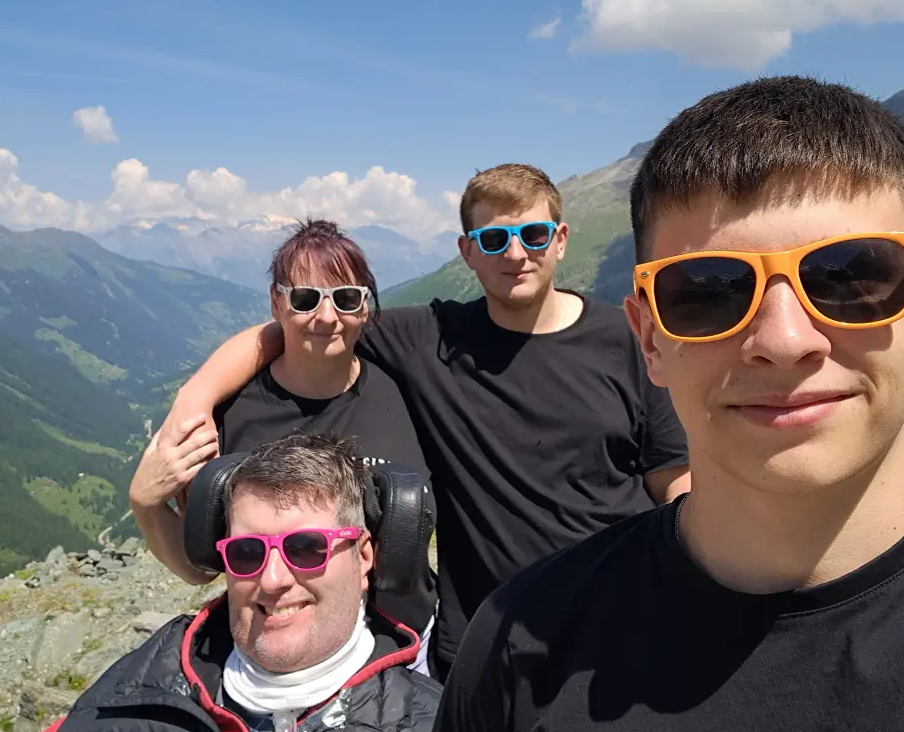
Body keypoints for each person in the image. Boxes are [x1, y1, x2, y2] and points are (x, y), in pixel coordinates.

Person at [432, 75, 904, 732]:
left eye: (851, 277)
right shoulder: (518, 645)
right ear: (649, 340)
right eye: (708, 292)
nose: (783, 341)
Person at [152, 163, 691, 682]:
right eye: (493, 240)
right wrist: (195, 398)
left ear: (560, 239)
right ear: (468, 251)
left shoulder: (625, 340)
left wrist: (696, 594)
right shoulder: (429, 338)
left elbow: (675, 482)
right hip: (485, 642)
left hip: (617, 621)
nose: (516, 253)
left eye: (533, 234)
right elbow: (308, 327)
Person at [129, 218, 439, 674]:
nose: (326, 317)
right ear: (277, 304)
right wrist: (146, 505)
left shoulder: (412, 390)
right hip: (285, 657)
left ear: (365, 308)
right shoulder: (228, 415)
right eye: (305, 299)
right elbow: (201, 566)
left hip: (404, 650)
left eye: (346, 298)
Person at [30, 433, 441, 732]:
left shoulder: (438, 727)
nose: (273, 579)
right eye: (247, 552)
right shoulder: (127, 696)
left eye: (306, 548)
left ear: (363, 557)